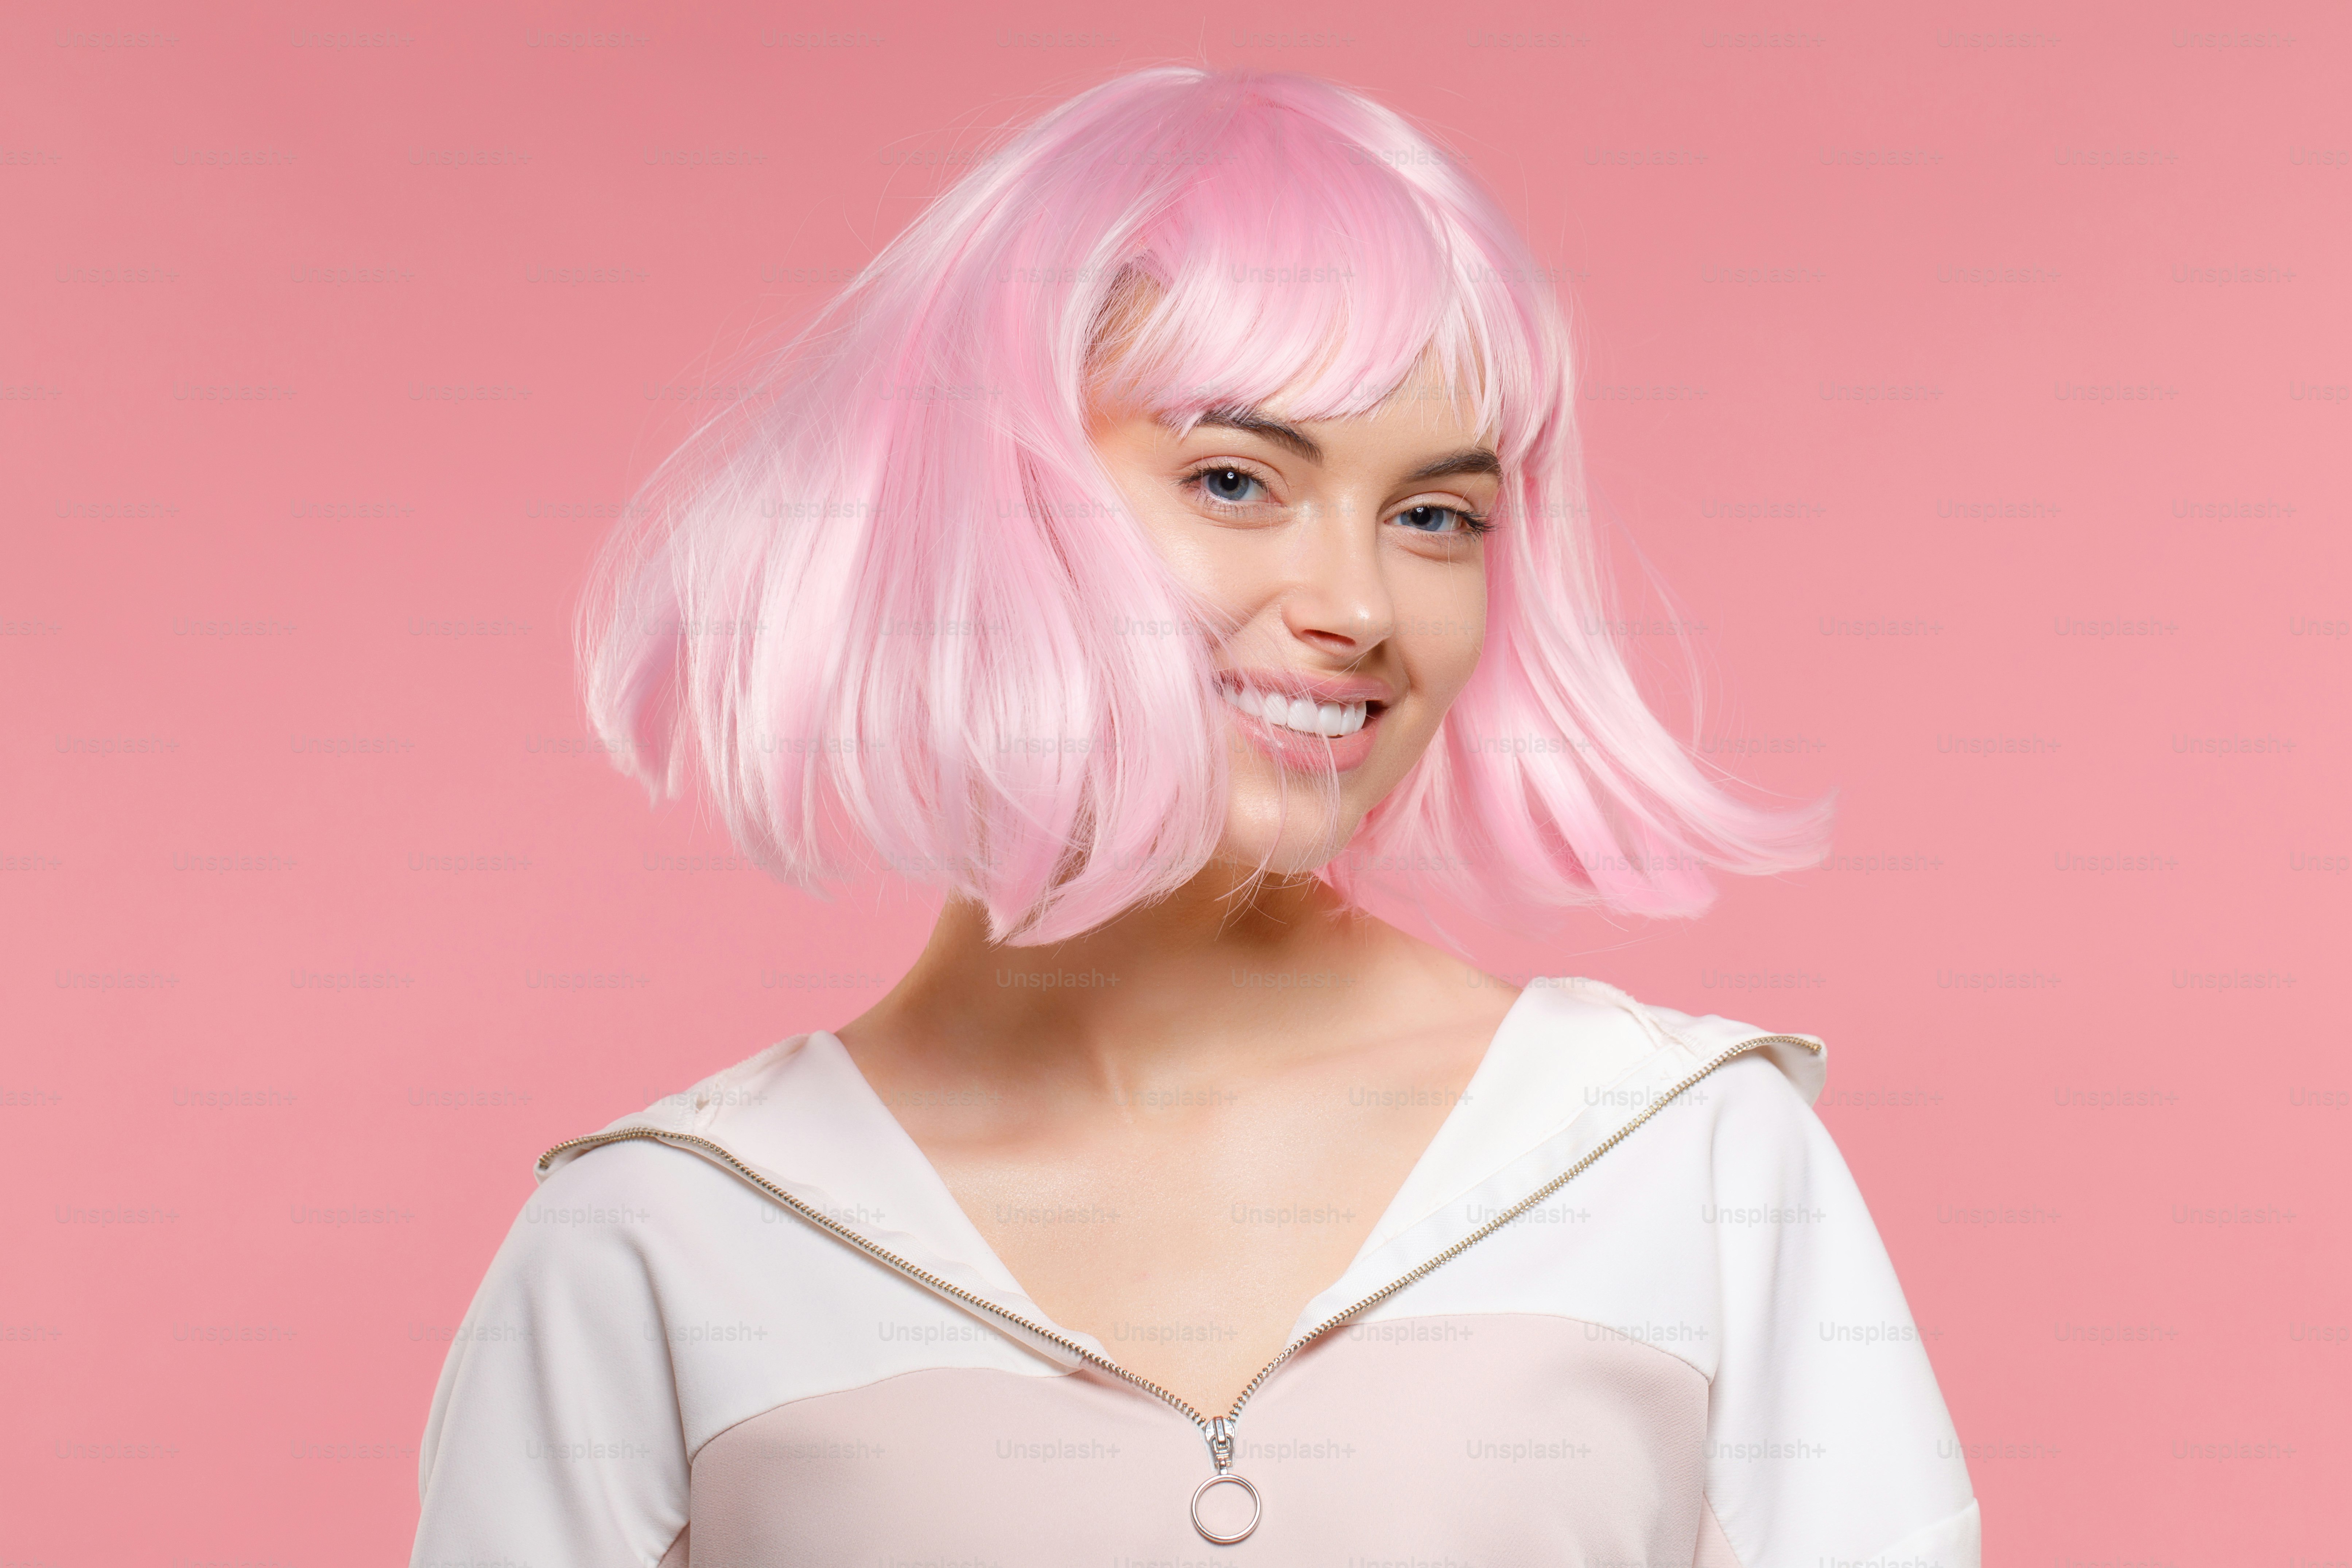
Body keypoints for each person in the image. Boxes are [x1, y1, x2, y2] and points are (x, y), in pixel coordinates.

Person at [412, 66, 1978, 1565]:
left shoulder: (1685, 1161)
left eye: (1434, 516)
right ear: (987, 498)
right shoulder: (657, 1244)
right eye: (1235, 481)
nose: (1357, 603)